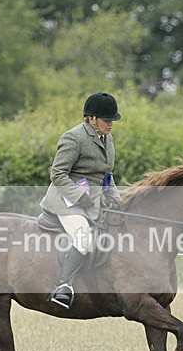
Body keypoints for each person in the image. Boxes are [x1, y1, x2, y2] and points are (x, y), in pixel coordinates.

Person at [39, 92, 122, 308]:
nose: (111, 124)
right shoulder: (74, 137)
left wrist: (115, 198)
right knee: (83, 236)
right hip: (66, 202)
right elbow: (57, 174)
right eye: (107, 120)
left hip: (92, 201)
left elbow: (105, 175)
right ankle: (63, 286)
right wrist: (79, 197)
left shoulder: (107, 138)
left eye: (112, 120)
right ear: (91, 118)